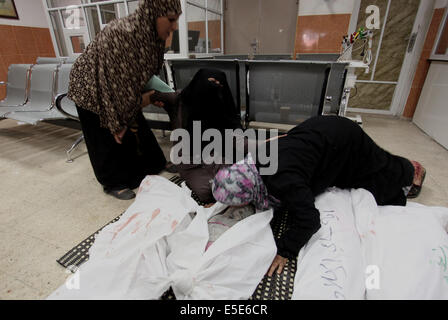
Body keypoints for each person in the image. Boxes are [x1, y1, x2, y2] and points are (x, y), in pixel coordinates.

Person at [211, 115, 426, 276]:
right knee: (377, 162)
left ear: (247, 189)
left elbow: (310, 220)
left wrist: (285, 250)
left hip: (343, 143)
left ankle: (413, 172)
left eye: (241, 201)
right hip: (321, 129)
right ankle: (405, 168)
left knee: (379, 180)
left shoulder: (283, 179)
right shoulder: (252, 162)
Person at [68, 0, 182, 200]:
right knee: (104, 137)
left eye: (177, 19)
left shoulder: (153, 37)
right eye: (171, 19)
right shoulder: (121, 33)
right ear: (152, 14)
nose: (175, 27)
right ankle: (112, 182)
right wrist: (119, 122)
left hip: (122, 86)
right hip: (91, 87)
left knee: (138, 126)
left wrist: (159, 94)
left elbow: (143, 73)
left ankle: (155, 163)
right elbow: (110, 84)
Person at [152, 68, 244, 203]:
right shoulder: (180, 100)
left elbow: (237, 137)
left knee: (234, 186)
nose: (215, 87)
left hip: (217, 154)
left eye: (220, 84)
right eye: (212, 82)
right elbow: (152, 95)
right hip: (189, 160)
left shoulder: (221, 103)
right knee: (207, 191)